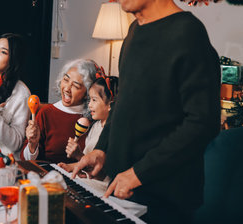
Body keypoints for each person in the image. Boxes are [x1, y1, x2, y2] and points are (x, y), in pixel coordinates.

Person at [72, 0, 221, 223]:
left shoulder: (188, 33)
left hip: (163, 197)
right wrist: (102, 149)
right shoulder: (135, 30)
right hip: (123, 189)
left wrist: (138, 173)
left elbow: (203, 123)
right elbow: (123, 102)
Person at [22, 59, 97, 163]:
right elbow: (26, 160)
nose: (67, 89)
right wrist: (32, 145)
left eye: (75, 85)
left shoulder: (94, 118)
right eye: (66, 80)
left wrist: (79, 156)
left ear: (87, 93)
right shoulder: (46, 113)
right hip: (49, 176)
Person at [60, 70, 118, 169]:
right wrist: (68, 167)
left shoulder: (114, 133)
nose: (89, 105)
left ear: (110, 104)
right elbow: (85, 162)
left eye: (94, 100)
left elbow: (99, 173)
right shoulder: (95, 126)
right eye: (89, 99)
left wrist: (78, 155)